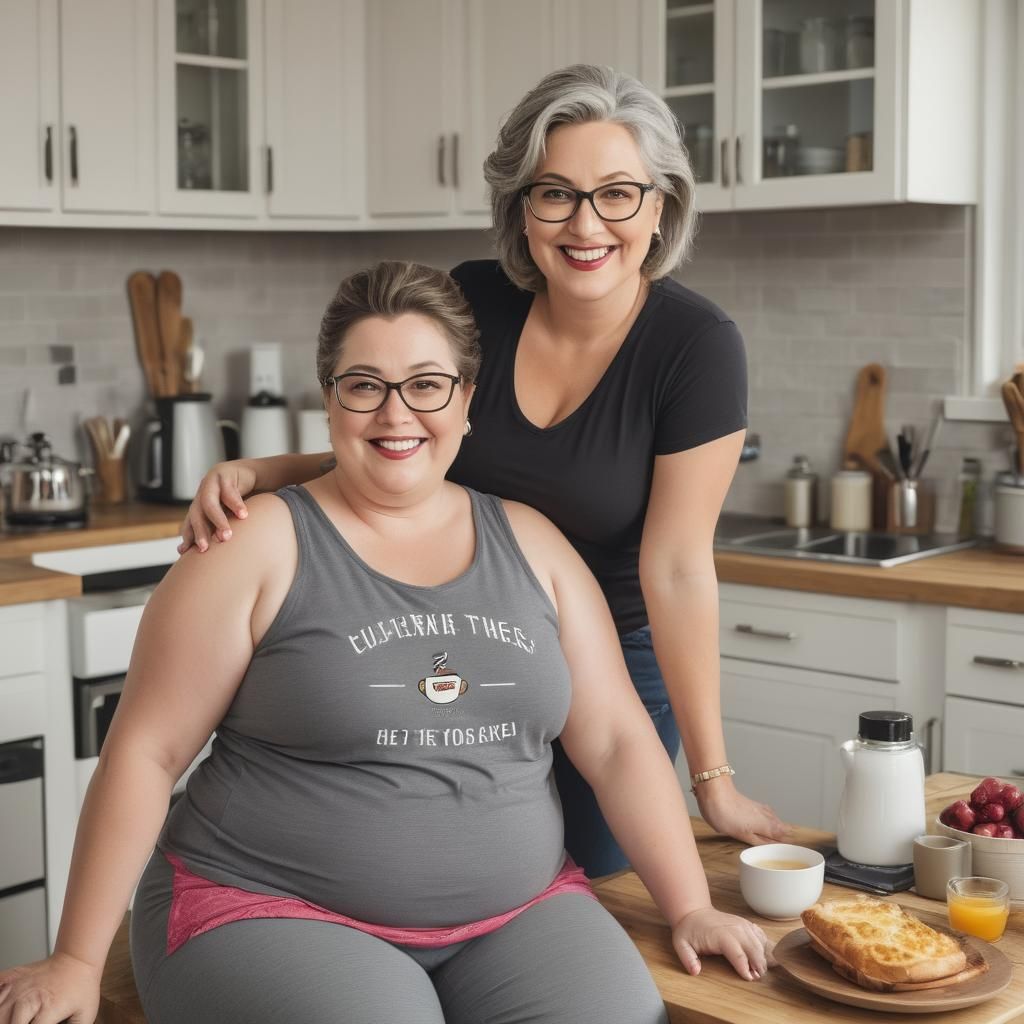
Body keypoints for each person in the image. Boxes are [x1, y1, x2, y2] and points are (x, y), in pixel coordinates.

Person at [0, 262, 770, 1024]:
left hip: (520, 914)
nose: (396, 414)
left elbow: (616, 741)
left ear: (468, 402)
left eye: (427, 385)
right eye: (364, 385)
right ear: (328, 401)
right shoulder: (253, 545)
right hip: (270, 910)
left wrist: (690, 907)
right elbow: (145, 752)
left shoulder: (535, 543)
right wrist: (75, 959)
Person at [178, 64, 787, 877]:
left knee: (597, 874)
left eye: (616, 193)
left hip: (604, 658)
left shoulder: (697, 348)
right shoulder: (476, 300)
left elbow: (676, 567)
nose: (585, 223)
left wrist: (713, 781)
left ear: (660, 205)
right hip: (466, 635)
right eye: (556, 192)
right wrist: (267, 471)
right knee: (448, 868)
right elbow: (409, 445)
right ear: (521, 206)